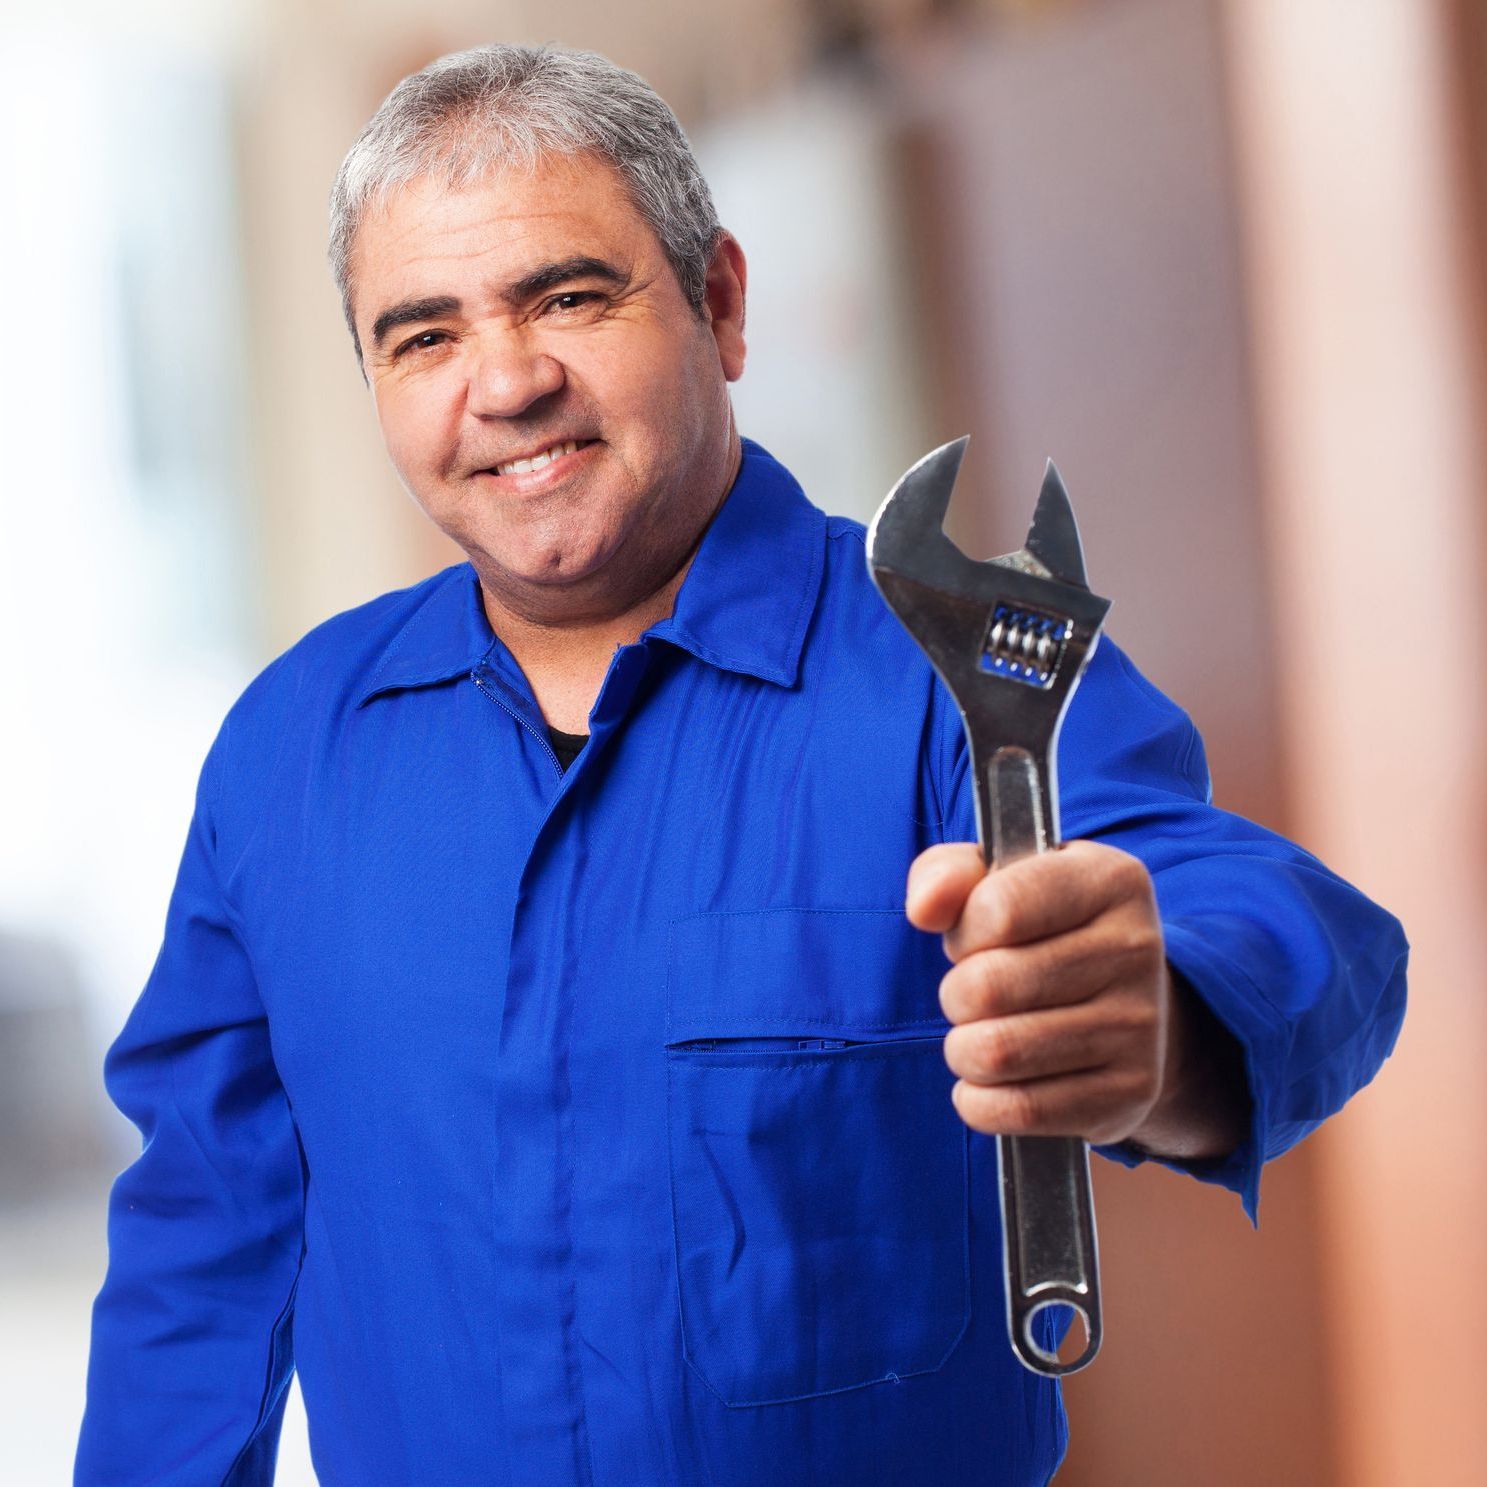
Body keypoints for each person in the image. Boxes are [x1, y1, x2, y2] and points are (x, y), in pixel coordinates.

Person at [75, 43, 1406, 1487]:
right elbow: (204, 1249)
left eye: (567, 297)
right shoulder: (289, 746)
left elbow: (1287, 927)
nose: (506, 383)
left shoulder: (965, 676)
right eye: (424, 336)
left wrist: (1172, 1019)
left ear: (720, 305)